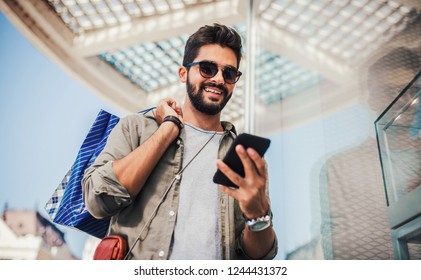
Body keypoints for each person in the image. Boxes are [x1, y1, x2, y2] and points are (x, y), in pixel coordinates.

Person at [82, 23, 278, 260]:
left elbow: (258, 259)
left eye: (229, 73)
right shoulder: (137, 128)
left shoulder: (242, 158)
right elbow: (98, 200)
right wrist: (168, 129)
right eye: (207, 68)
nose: (218, 79)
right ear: (183, 73)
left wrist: (258, 216)